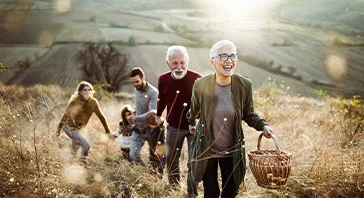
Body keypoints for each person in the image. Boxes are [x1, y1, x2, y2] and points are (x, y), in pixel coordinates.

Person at [187, 40, 275, 197]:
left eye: (233, 56)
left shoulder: (244, 85)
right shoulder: (201, 85)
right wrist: (192, 122)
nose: (229, 61)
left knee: (230, 192)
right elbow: (193, 111)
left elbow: (249, 114)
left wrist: (263, 126)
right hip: (207, 149)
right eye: (223, 56)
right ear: (212, 61)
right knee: (211, 192)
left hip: (232, 150)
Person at [156, 45, 202, 196]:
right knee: (172, 160)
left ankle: (191, 193)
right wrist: (158, 115)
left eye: (182, 62)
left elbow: (204, 103)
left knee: (193, 162)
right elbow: (161, 99)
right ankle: (174, 189)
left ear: (188, 61)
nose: (179, 66)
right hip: (173, 127)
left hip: (193, 128)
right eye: (174, 62)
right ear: (167, 63)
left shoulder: (197, 79)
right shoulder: (163, 79)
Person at [56, 81, 114, 165]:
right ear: (80, 92)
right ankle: (82, 164)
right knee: (86, 145)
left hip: (80, 129)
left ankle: (71, 166)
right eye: (85, 90)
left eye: (89, 90)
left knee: (75, 149)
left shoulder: (93, 102)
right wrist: (58, 130)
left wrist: (108, 132)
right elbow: (65, 116)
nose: (87, 92)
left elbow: (101, 117)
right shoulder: (75, 102)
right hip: (69, 127)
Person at [128, 67, 165, 175]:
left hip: (152, 128)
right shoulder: (136, 89)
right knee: (133, 154)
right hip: (138, 128)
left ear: (143, 78)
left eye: (137, 81)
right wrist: (134, 113)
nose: (135, 84)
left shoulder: (153, 93)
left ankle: (155, 177)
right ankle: (147, 172)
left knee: (155, 156)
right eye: (133, 82)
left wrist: (136, 118)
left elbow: (152, 113)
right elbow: (140, 107)